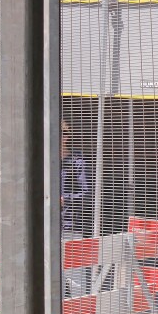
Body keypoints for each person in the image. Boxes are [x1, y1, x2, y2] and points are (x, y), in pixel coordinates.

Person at [59, 120, 91, 297]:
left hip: (70, 225)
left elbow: (87, 193)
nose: (60, 137)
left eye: (63, 133)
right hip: (47, 228)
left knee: (75, 276)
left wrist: (65, 199)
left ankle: (79, 312)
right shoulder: (44, 163)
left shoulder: (78, 162)